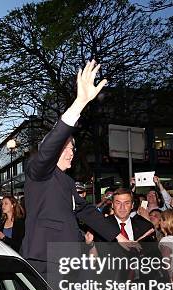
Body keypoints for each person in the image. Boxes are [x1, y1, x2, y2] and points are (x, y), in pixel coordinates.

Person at [21, 60, 129, 276]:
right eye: (68, 148)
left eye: (73, 148)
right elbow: (50, 146)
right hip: (44, 258)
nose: (72, 152)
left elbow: (84, 210)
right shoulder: (38, 170)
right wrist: (79, 103)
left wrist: (118, 236)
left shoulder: (67, 181)